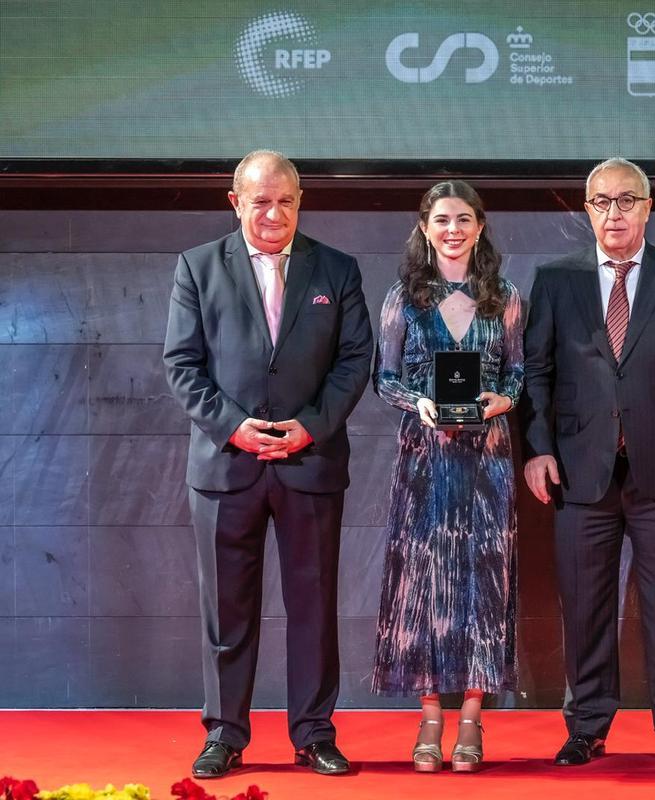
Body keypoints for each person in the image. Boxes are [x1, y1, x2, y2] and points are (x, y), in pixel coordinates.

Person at [163, 150, 373, 778]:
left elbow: (354, 359)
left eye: (285, 200)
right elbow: (182, 364)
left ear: (300, 199)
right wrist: (237, 428)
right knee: (227, 611)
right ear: (236, 202)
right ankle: (225, 734)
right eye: (261, 201)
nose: (274, 213)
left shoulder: (337, 269)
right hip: (227, 466)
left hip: (311, 466)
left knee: (313, 607)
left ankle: (314, 734)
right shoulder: (198, 268)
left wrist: (309, 427)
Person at [523, 158, 655, 767]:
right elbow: (537, 374)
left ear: (647, 206)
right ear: (586, 210)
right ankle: (586, 724)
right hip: (579, 471)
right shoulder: (555, 280)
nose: (615, 212)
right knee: (585, 604)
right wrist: (537, 450)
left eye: (627, 200)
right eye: (602, 201)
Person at [370, 181, 524, 773]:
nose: (453, 229)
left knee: (485, 583)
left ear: (480, 226)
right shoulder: (402, 298)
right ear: (425, 227)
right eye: (442, 219)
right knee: (426, 584)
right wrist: (420, 404)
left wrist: (498, 402)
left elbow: (518, 374)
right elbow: (384, 380)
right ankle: (431, 716)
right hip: (423, 461)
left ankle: (472, 720)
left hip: (486, 460)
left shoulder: (505, 297)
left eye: (464, 218)